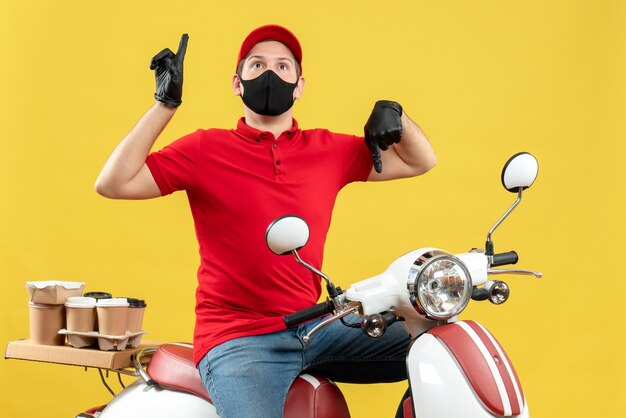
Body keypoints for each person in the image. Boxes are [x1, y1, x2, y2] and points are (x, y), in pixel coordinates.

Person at [95, 25, 437, 418]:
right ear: (238, 83)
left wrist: (396, 114)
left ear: (299, 84)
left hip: (315, 326)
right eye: (257, 65)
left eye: (282, 66)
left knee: (438, 347)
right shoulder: (206, 148)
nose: (270, 74)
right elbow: (113, 183)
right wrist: (164, 104)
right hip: (238, 339)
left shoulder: (329, 150)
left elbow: (420, 160)